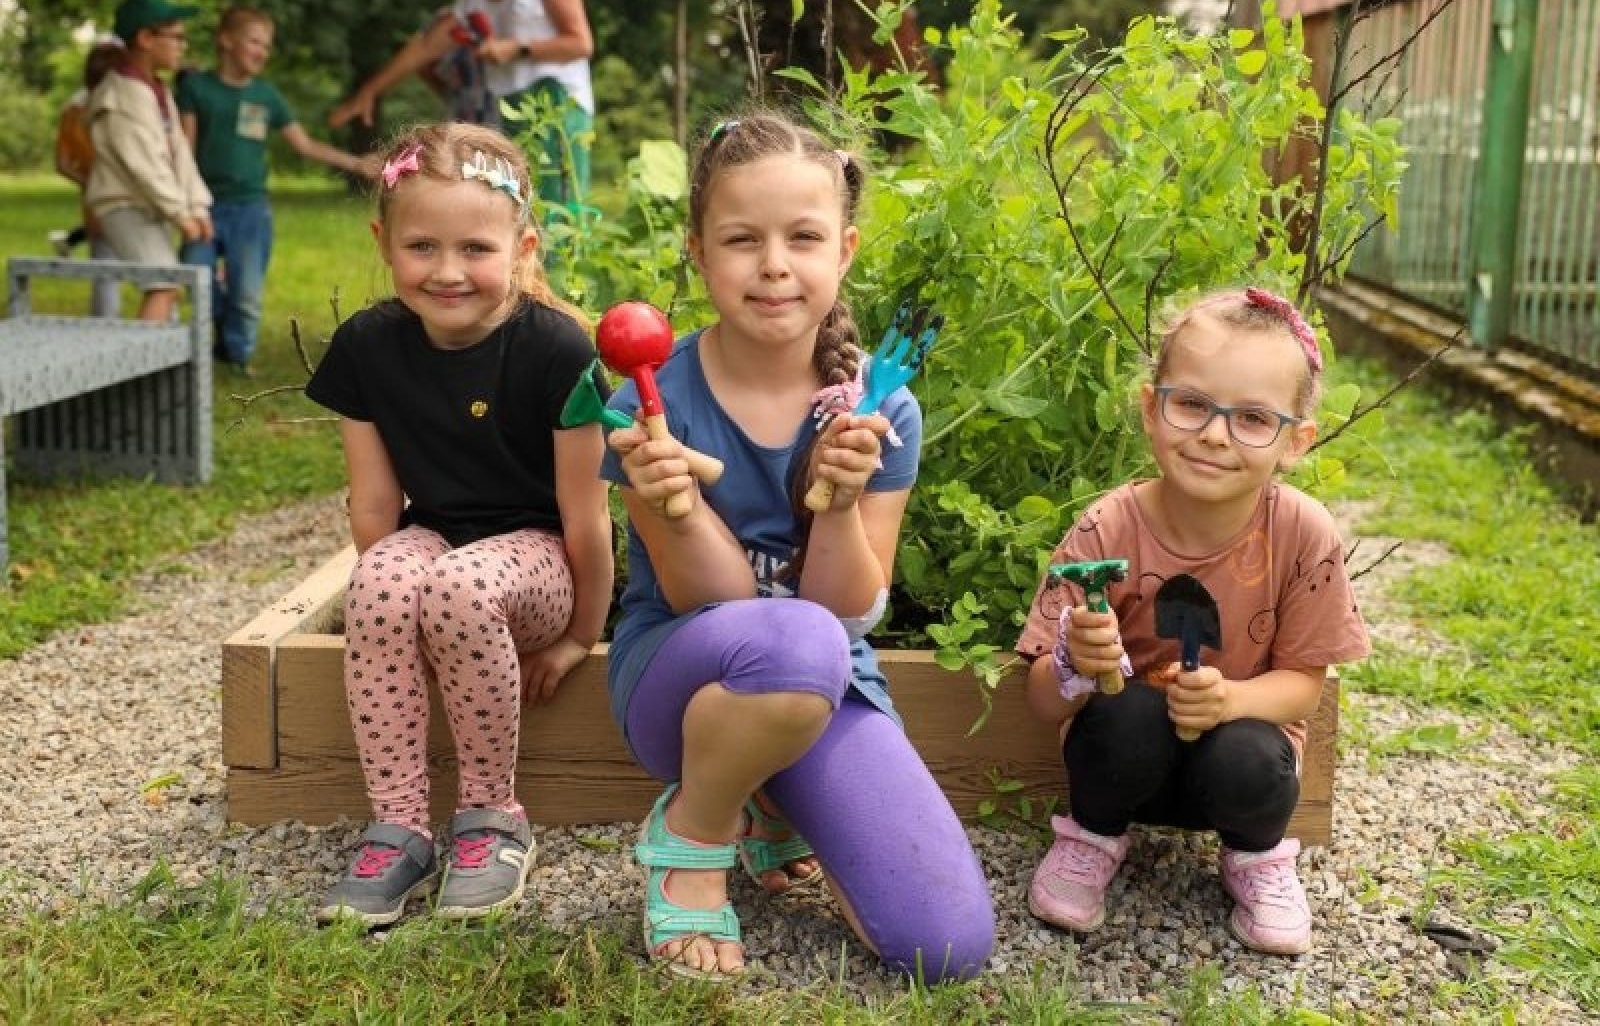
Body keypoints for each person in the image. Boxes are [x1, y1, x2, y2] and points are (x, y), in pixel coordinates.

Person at [600, 112, 995, 982]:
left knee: (944, 945)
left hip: (826, 671)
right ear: (699, 253)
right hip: (683, 677)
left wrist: (844, 502)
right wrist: (674, 508)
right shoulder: (647, 405)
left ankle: (771, 784)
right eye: (742, 239)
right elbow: (706, 597)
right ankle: (696, 831)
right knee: (795, 640)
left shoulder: (878, 410)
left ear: (844, 250)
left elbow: (851, 612)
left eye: (803, 237)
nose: (775, 264)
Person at [305, 122, 613, 927]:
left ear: (523, 245)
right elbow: (374, 512)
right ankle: (401, 828)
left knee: (458, 584)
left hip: (537, 562)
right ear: (384, 242)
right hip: (438, 543)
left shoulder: (555, 349)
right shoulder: (368, 347)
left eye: (476, 248)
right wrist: (400, 618)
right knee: (382, 576)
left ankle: (492, 817)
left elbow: (585, 516)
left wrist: (581, 635)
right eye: (422, 247)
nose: (447, 272)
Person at [1015, 287, 1371, 956]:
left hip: (1237, 768)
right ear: (1152, 409)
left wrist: (1231, 698)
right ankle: (1091, 838)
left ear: (1296, 442)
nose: (1214, 434)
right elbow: (1039, 700)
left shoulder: (1301, 532)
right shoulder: (1107, 525)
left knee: (1251, 752)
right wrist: (1075, 664)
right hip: (1124, 763)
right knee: (1121, 719)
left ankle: (1257, 858)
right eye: (1192, 404)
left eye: (1253, 419)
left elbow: (1302, 687)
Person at [177, 5, 380, 375]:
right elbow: (184, 153)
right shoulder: (195, 89)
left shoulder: (266, 96)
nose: (262, 52)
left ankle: (235, 356)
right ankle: (223, 328)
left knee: (247, 295)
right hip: (202, 205)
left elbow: (305, 145)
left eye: (266, 46)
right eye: (254, 42)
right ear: (226, 40)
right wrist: (186, 203)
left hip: (250, 209)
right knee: (196, 278)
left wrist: (357, 164)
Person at [329, 0, 594, 209]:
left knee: (558, 205)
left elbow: (580, 42)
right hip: (510, 106)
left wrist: (517, 49)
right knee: (517, 201)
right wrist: (370, 92)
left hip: (555, 101)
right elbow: (426, 45)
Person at [85, 0, 213, 324]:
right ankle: (136, 375)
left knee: (167, 288)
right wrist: (179, 212)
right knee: (163, 285)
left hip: (149, 204)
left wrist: (196, 205)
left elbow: (180, 153)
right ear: (145, 38)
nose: (183, 45)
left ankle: (159, 374)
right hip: (123, 205)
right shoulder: (122, 93)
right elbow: (144, 164)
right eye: (177, 37)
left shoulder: (155, 89)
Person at [50, 39, 124, 318]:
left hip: (97, 204)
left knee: (105, 282)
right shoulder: (125, 105)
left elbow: (62, 164)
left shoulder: (73, 110)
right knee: (156, 281)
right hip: (134, 206)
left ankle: (102, 343)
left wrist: (90, 183)